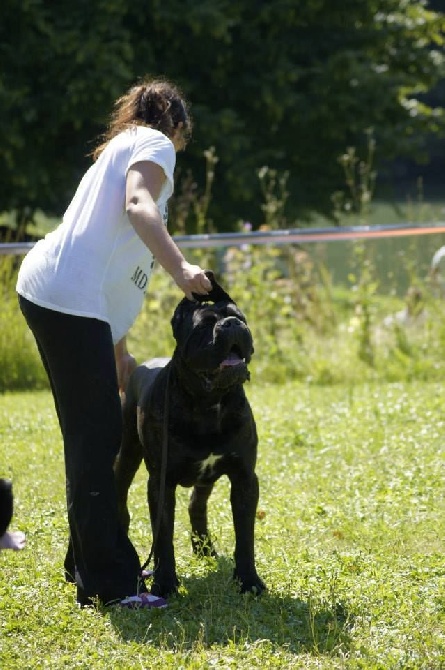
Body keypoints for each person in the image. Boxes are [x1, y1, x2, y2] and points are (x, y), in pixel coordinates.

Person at [16, 77, 212, 608]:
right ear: (177, 125)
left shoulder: (120, 147)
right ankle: (111, 584)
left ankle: (85, 562)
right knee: (97, 443)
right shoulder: (152, 145)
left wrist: (119, 347)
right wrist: (182, 268)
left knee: (92, 438)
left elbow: (111, 260)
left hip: (63, 297)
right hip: (67, 301)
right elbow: (138, 207)